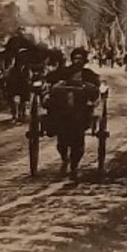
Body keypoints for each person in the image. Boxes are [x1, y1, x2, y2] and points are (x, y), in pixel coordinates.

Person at [42, 47, 102, 180]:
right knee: (62, 141)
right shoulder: (64, 71)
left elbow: (95, 91)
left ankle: (74, 165)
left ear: (84, 61)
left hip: (80, 113)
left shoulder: (89, 75)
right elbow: (50, 79)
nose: (77, 61)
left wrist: (88, 89)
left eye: (80, 59)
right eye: (75, 58)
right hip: (62, 113)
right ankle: (65, 158)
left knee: (78, 143)